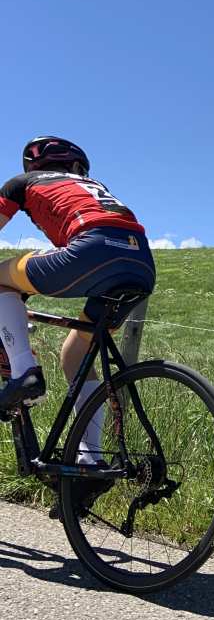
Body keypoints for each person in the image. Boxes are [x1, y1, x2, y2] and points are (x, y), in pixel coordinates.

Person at [0, 137, 155, 466]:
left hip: (92, 248)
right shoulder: (94, 186)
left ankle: (24, 372)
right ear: (74, 166)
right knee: (75, 353)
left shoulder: (21, 183)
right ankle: (88, 460)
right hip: (141, 263)